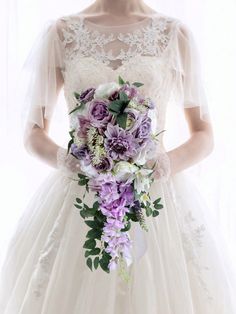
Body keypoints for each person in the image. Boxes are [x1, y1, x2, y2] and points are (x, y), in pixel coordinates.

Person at [0, 0, 236, 313]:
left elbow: (204, 135)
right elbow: (32, 134)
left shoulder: (173, 34)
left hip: (152, 196)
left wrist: (159, 166)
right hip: (83, 191)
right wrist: (70, 161)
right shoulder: (62, 32)